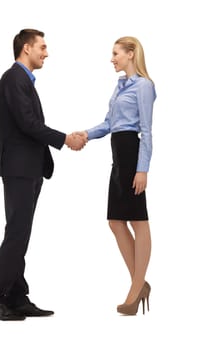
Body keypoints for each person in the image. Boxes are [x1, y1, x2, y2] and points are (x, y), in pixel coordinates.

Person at [0, 29, 86, 321]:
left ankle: (16, 295)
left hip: (28, 168)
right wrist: (65, 138)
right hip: (19, 169)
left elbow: (28, 125)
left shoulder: (23, 81)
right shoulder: (14, 78)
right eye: (42, 47)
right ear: (26, 48)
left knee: (21, 234)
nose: (46, 52)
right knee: (16, 233)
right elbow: (28, 124)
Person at [75, 36, 156, 315]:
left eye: (115, 53)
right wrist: (85, 133)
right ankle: (140, 282)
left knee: (138, 220)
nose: (112, 59)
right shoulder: (120, 86)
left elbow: (146, 129)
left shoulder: (144, 86)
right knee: (115, 221)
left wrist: (142, 168)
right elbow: (110, 124)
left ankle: (135, 288)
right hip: (118, 157)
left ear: (131, 54)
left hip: (133, 155)